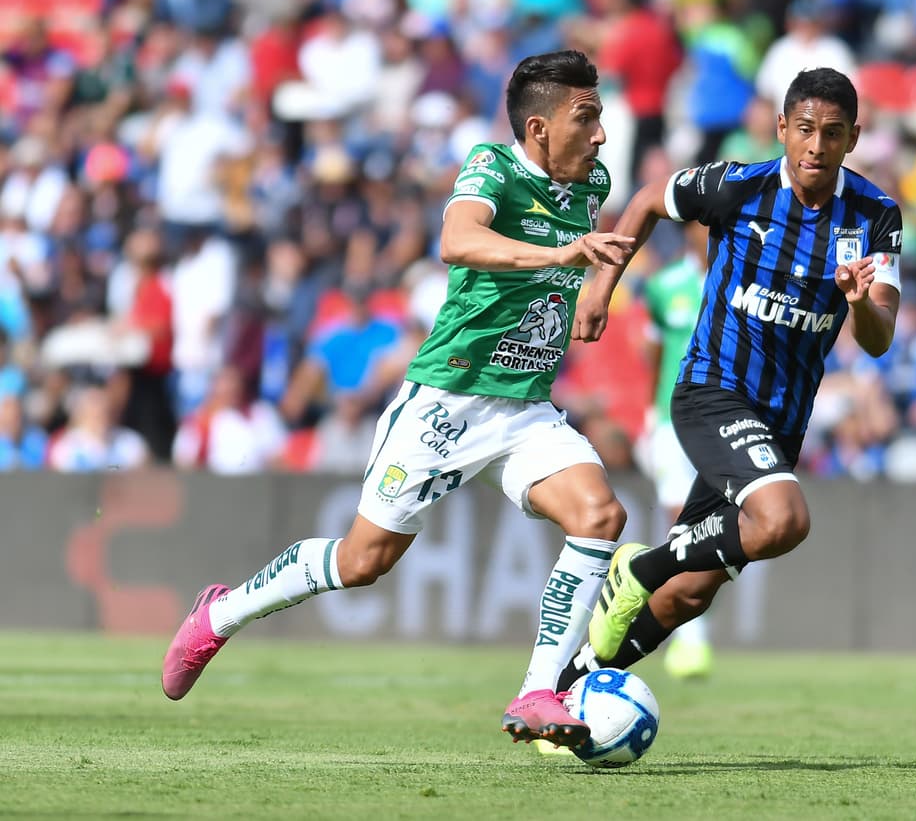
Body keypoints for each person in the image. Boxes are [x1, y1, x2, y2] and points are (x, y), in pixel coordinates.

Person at [161, 50, 637, 750]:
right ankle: (221, 614)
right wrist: (558, 258)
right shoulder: (493, 167)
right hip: (449, 399)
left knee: (600, 516)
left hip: (526, 406)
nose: (600, 134)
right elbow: (457, 240)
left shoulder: (592, 182)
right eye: (586, 117)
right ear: (538, 127)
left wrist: (595, 291)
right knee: (363, 563)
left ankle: (538, 690)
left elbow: (602, 244)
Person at [561, 67, 902, 684]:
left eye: (832, 133)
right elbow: (647, 201)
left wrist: (858, 302)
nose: (816, 146)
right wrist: (600, 288)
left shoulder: (875, 216)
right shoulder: (737, 187)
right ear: (782, 128)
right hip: (712, 391)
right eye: (805, 129)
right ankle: (641, 568)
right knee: (783, 520)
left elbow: (879, 339)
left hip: (781, 422)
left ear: (853, 138)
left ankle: (567, 691)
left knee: (688, 594)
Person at [640, 220, 713, 679]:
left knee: (712, 529)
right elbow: (654, 351)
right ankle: (691, 638)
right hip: (671, 418)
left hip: (720, 418)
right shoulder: (664, 286)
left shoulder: (739, 281)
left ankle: (687, 625)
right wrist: (650, 412)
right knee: (679, 520)